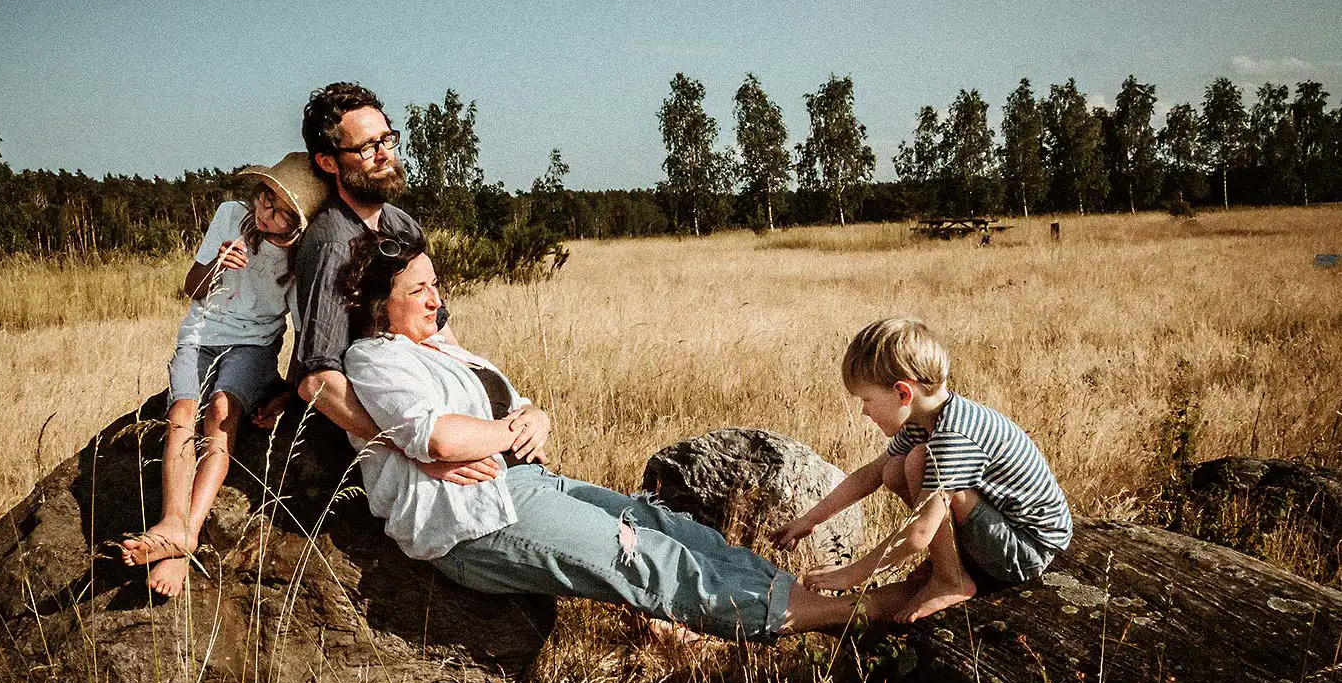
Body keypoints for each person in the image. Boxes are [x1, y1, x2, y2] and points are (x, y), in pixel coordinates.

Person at [337, 230, 863, 642]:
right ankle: (844, 614)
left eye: (435, 284)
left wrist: (534, 416)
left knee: (670, 529)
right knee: (646, 559)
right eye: (417, 290)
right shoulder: (375, 358)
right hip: (473, 521)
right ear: (381, 304)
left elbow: (514, 407)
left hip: (530, 483)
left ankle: (799, 600)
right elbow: (440, 438)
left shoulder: (440, 347)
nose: (435, 300)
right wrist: (506, 432)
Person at [120, 154, 328, 595]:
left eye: (279, 213)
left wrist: (287, 394)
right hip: (200, 333)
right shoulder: (230, 217)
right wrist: (216, 265)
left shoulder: (297, 261)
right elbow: (191, 288)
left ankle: (187, 534)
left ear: (297, 226)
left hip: (253, 344)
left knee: (220, 412)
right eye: (265, 199)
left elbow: (300, 333)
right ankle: (172, 521)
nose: (264, 213)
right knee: (181, 412)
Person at [773, 318, 1072, 623]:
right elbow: (871, 474)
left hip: (1025, 547)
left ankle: (951, 579)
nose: (864, 410)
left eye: (867, 399)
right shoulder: (926, 420)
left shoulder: (954, 438)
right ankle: (950, 566)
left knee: (918, 461)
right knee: (894, 469)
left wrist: (851, 574)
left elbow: (918, 533)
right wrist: (810, 520)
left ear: (904, 393)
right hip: (999, 524)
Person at [290, 81, 494, 486]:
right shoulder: (332, 242)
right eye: (366, 147)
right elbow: (316, 380)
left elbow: (438, 326)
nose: (384, 154)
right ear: (329, 162)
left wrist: (487, 409)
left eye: (387, 139)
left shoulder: (401, 224)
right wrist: (413, 450)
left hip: (422, 396)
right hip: (371, 413)